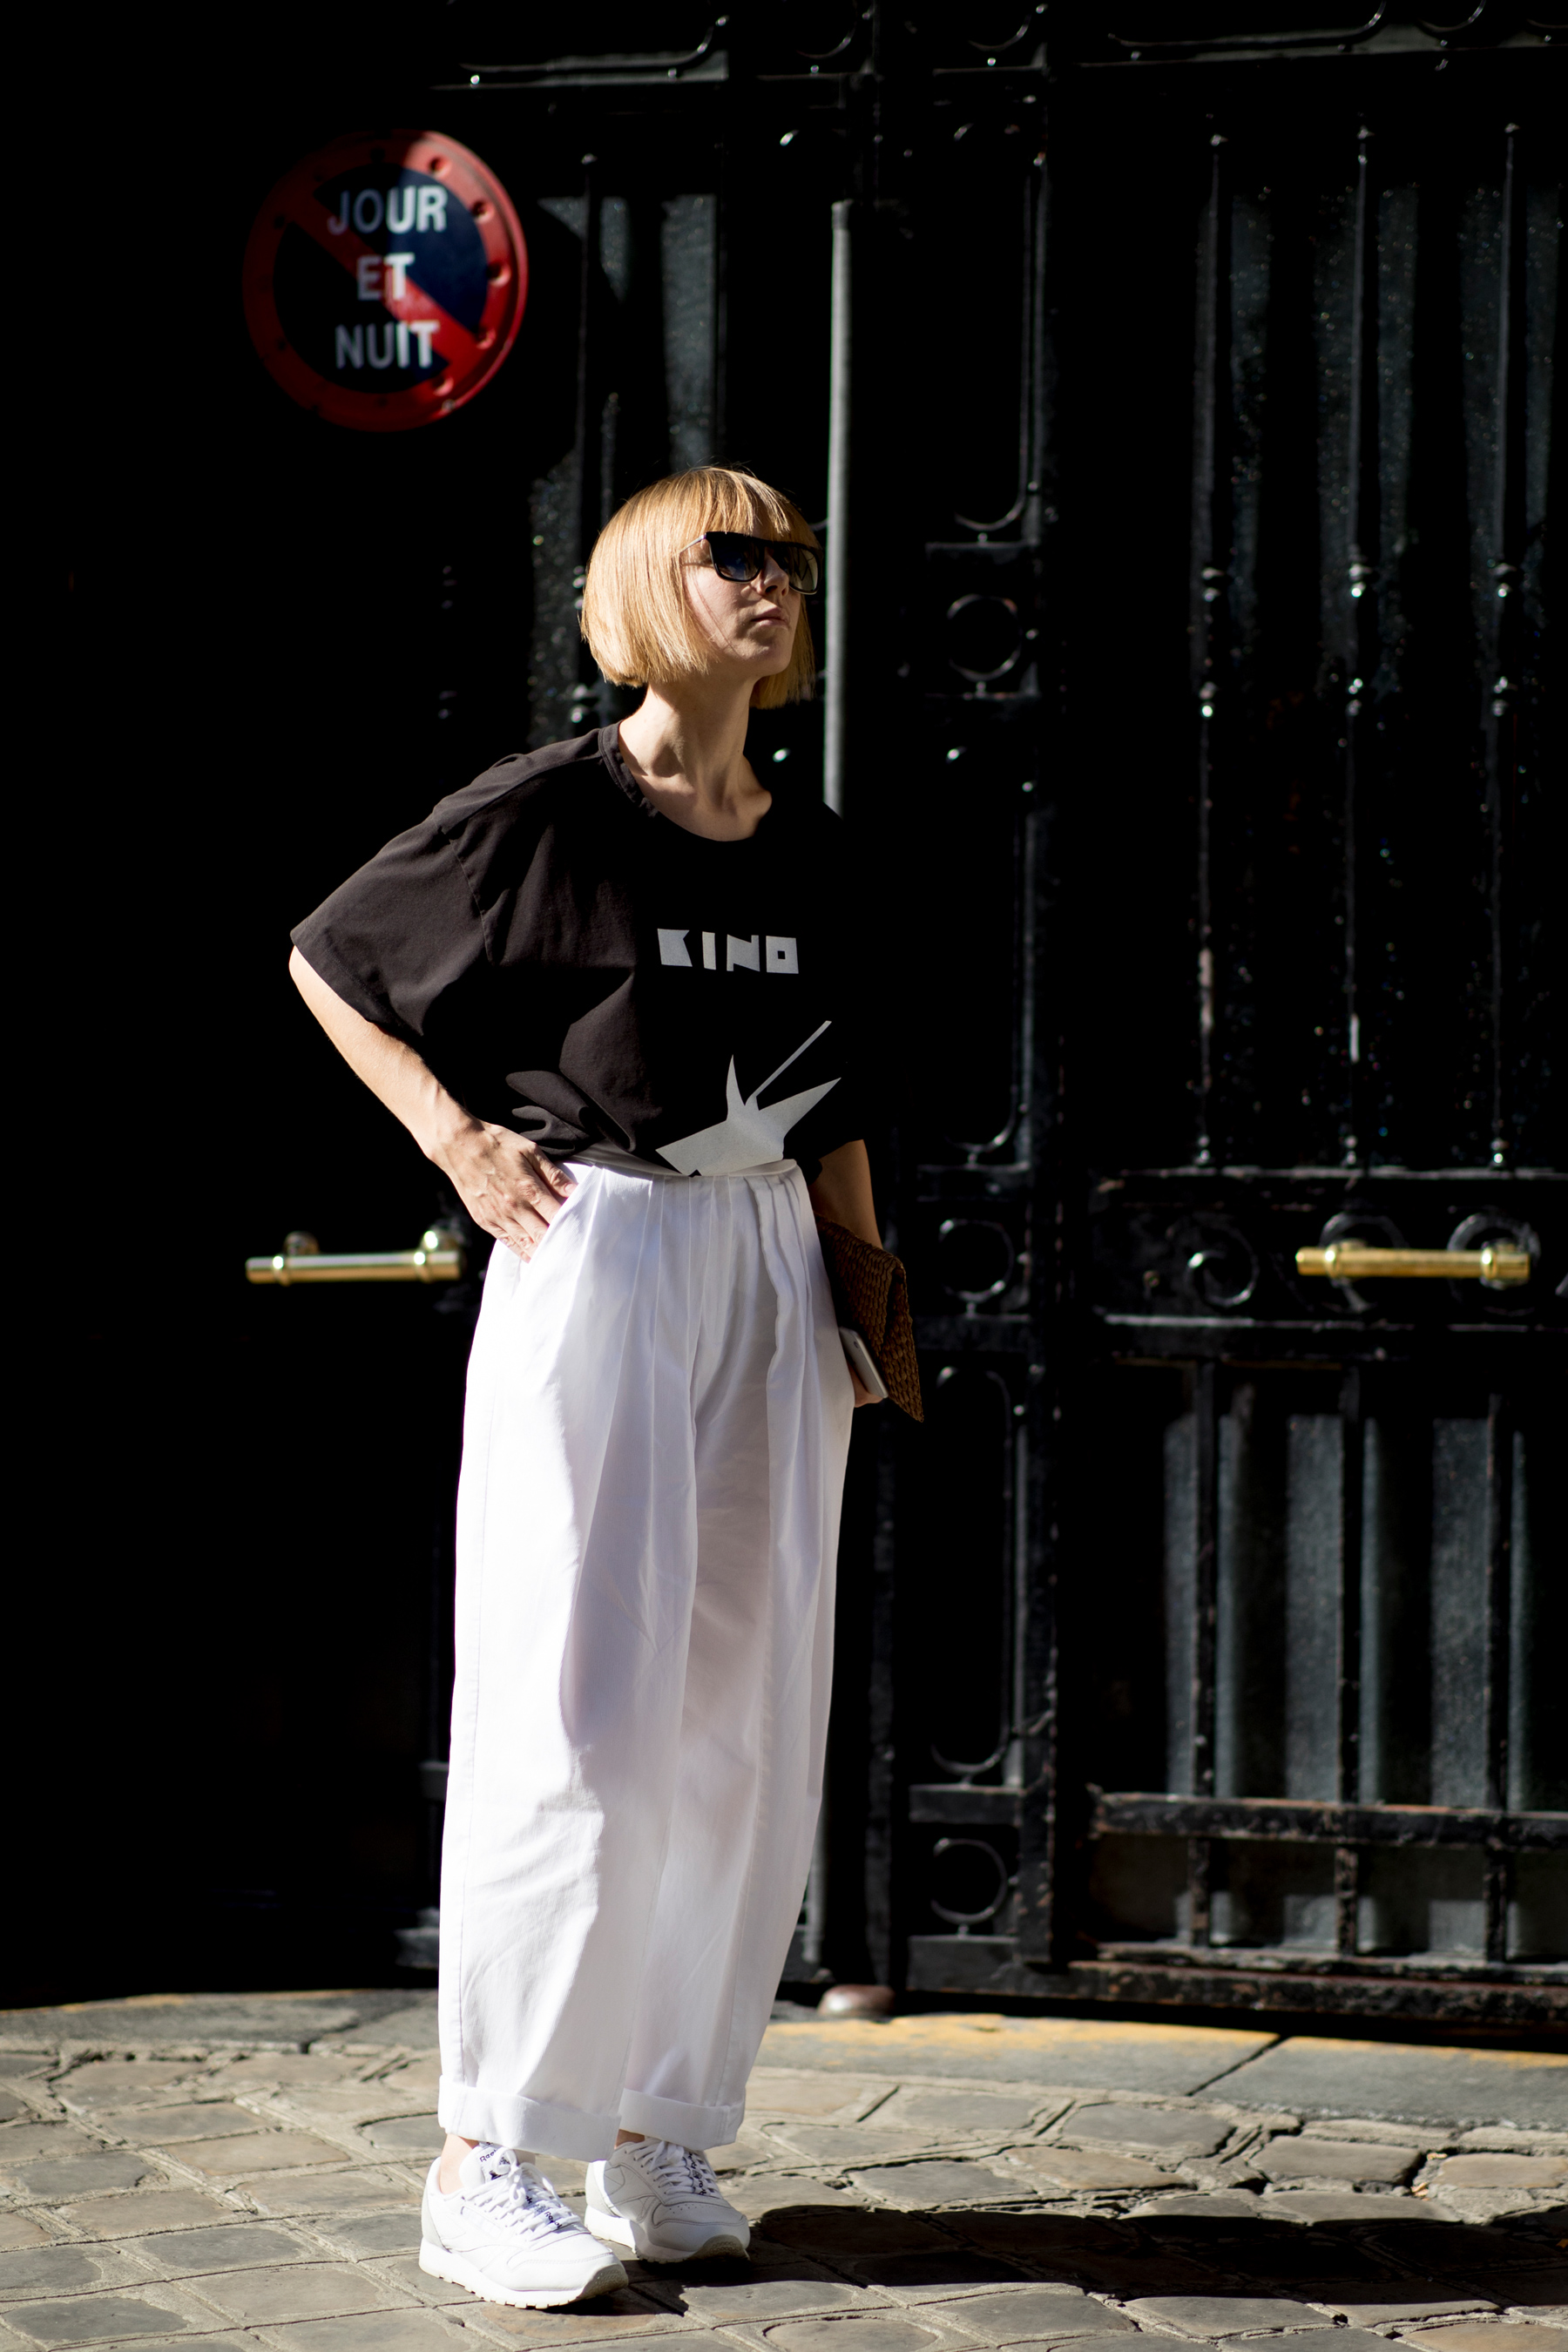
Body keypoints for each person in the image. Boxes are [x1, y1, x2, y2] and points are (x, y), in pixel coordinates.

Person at [288, 466, 883, 2312]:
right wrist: (457, 1142)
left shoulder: (814, 845)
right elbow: (329, 958)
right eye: (733, 554)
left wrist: (864, 1302)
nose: (772, 581)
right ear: (640, 586)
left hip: (770, 1255)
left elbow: (841, 1101)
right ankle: (487, 2156)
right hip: (603, 1244)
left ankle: (658, 2127)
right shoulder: (546, 810)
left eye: (791, 557)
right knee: (577, 1708)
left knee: (742, 1719)